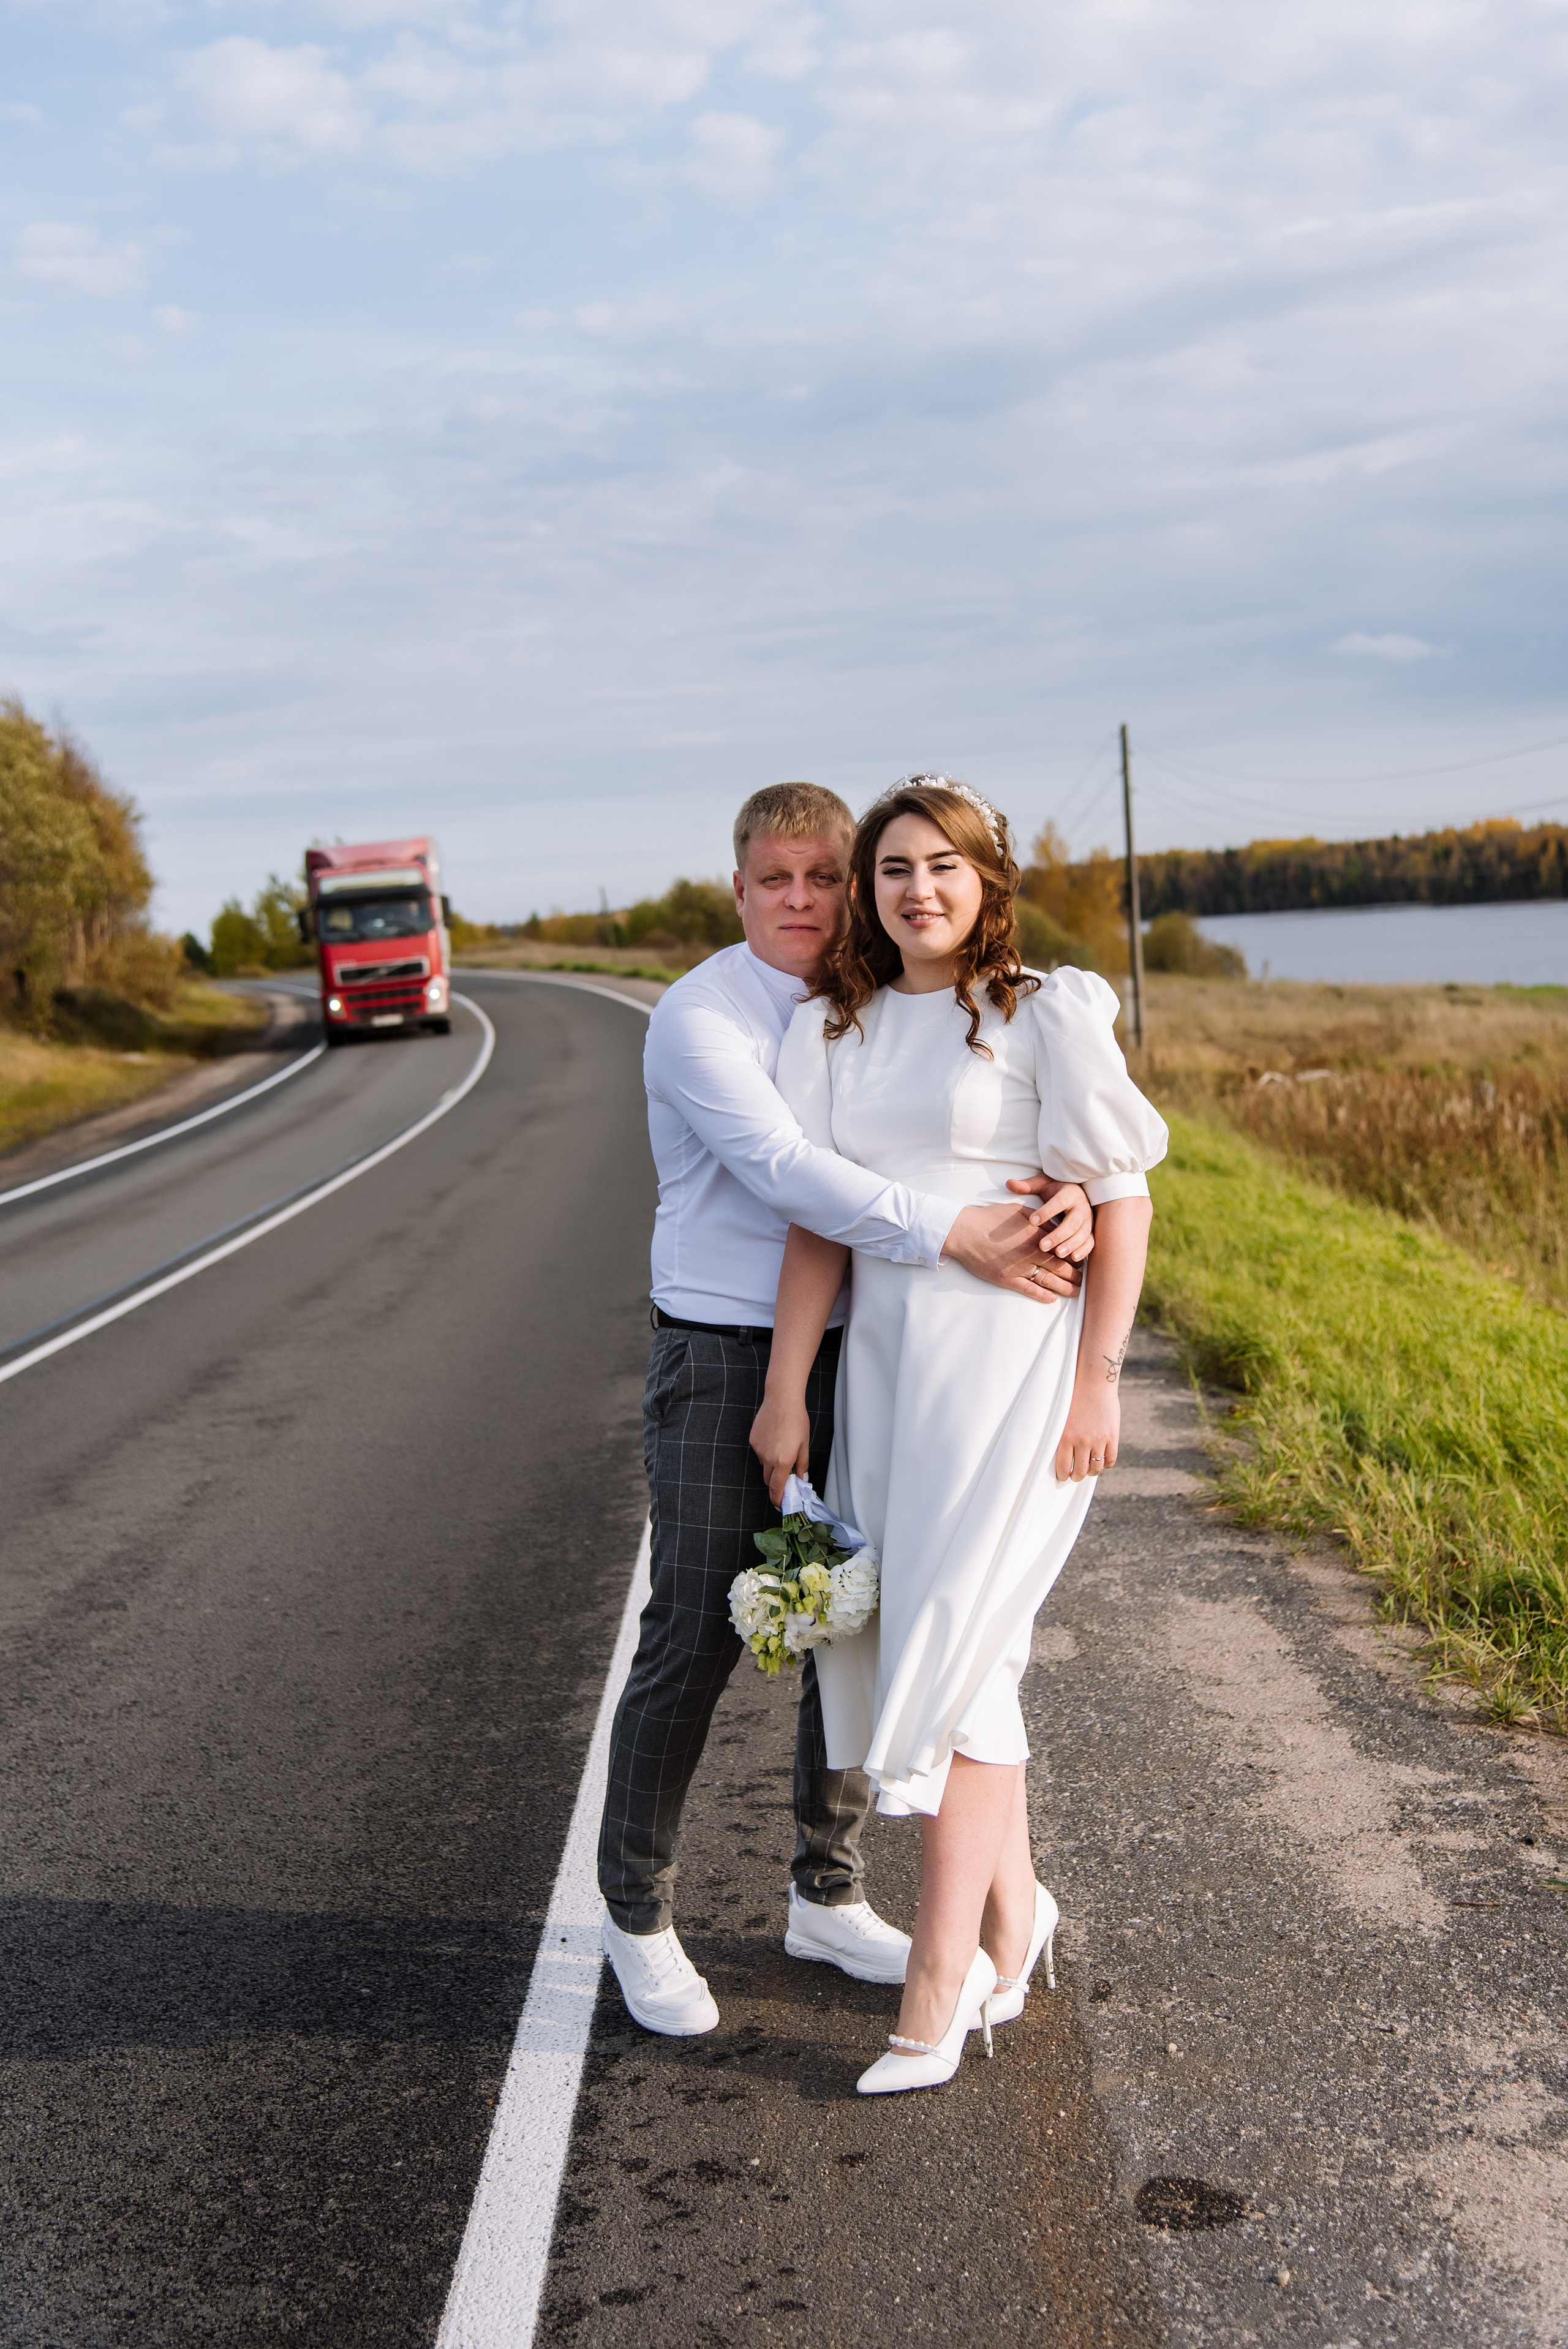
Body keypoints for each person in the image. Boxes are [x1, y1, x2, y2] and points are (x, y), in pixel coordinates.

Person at [597, 780, 1097, 2038]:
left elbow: (982, 1123)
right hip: (727, 1350)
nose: (805, 900)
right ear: (738, 888)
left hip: (866, 1343)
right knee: (700, 1631)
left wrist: (1068, 1202)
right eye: (778, 879)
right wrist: (960, 1236)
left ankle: (824, 1888)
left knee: (849, 1626)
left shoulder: (871, 1001)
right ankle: (635, 1911)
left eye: (827, 876)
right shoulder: (702, 1016)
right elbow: (791, 1175)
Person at [752, 774, 1169, 2094]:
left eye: (940, 864)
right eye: (891, 870)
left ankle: (936, 1992)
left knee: (963, 1654)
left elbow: (1121, 1195)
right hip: (886, 1374)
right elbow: (816, 1224)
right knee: (935, 1643)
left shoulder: (1042, 1012)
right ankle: (1015, 1913)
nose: (914, 889)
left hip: (1016, 1376)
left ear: (984, 877)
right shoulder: (832, 1029)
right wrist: (784, 1389)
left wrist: (1098, 1381)